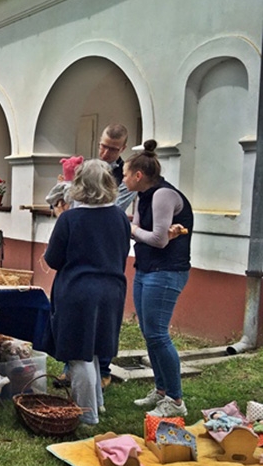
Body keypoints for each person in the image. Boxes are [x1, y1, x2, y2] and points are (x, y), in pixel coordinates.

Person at [43, 159, 131, 426]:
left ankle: (85, 416)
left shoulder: (70, 219)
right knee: (94, 348)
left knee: (78, 353)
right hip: (112, 291)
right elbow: (121, 253)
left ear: (80, 185)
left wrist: (60, 220)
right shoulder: (120, 217)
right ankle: (98, 404)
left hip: (78, 291)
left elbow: (53, 259)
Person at [124, 140, 193, 418]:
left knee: (158, 335)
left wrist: (128, 228)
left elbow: (159, 239)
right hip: (146, 269)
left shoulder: (163, 195)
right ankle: (161, 390)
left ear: (138, 175)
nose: (124, 178)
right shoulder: (143, 196)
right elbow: (145, 229)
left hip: (166, 272)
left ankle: (176, 400)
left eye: (126, 174)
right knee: (149, 334)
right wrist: (134, 228)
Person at [97, 123, 137, 211]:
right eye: (103, 146)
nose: (106, 153)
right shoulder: (87, 167)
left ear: (123, 148)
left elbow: (116, 209)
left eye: (113, 149)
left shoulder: (127, 176)